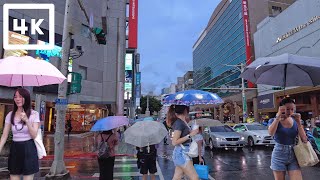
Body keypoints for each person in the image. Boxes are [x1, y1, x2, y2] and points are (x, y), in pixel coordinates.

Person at [0, 88, 40, 180]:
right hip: (15, 148)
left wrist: (26, 120)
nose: (17, 99)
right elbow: (4, 135)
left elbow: (34, 135)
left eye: (21, 96)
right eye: (15, 96)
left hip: (29, 148)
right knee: (13, 177)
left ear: (26, 98)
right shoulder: (10, 115)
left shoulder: (34, 114)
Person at [268, 98, 308, 180]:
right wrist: (278, 117)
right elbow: (271, 133)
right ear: (281, 109)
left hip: (294, 153)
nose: (290, 111)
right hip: (279, 154)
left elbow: (304, 139)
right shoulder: (273, 120)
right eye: (287, 109)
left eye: (292, 109)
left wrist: (299, 123)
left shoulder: (295, 120)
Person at [166, 105, 199, 180]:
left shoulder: (182, 122)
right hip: (182, 154)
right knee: (195, 177)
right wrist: (190, 135)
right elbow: (174, 142)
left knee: (177, 177)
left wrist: (192, 132)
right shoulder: (179, 123)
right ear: (185, 110)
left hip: (182, 152)